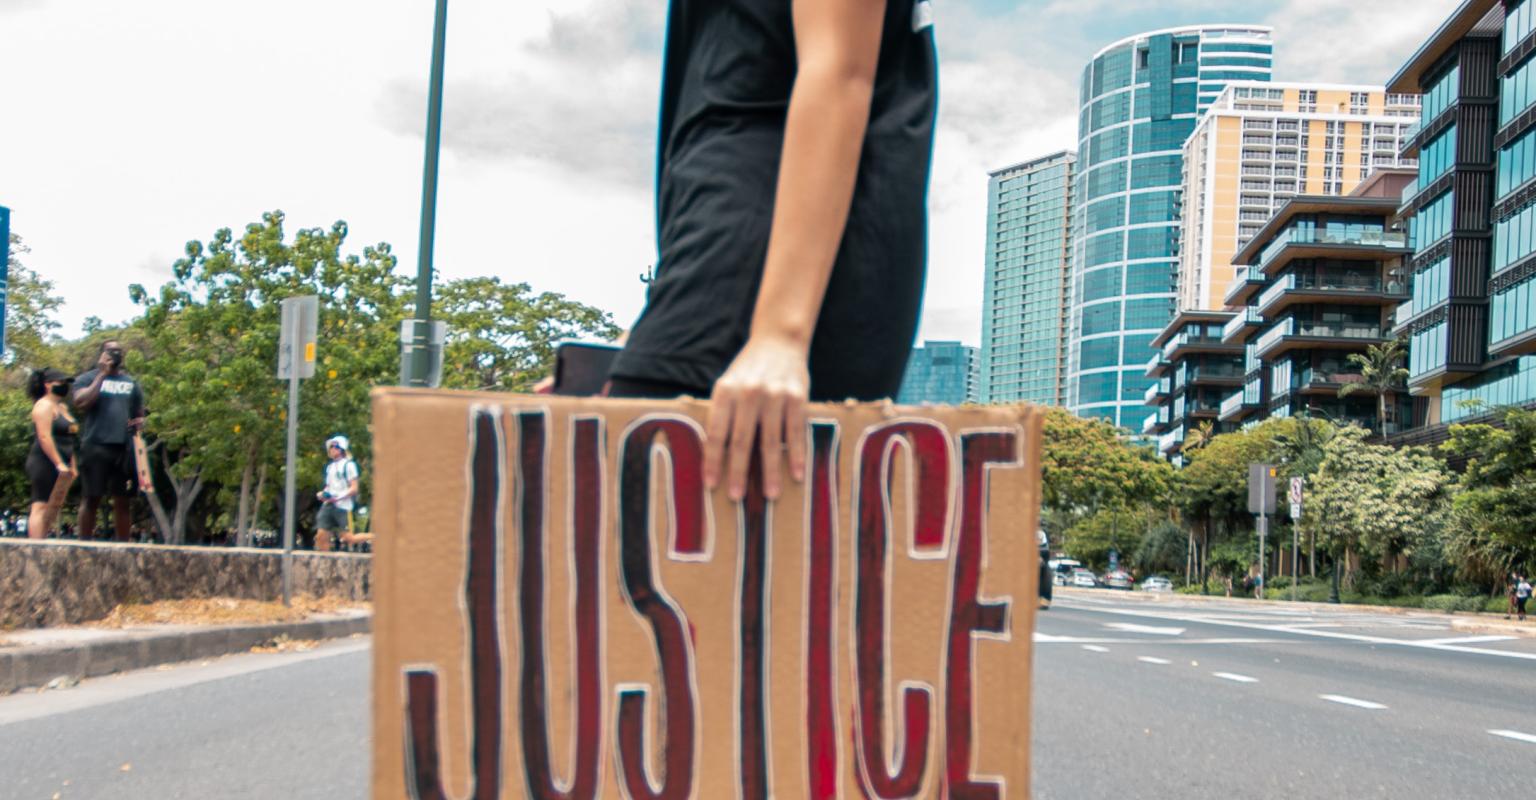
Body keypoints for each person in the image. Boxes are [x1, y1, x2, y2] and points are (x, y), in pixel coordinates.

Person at [605, 0, 937, 502]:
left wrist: (780, 334)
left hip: (768, 279)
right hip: (734, 266)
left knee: (627, 537)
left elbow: (839, 72)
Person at [72, 340, 146, 542]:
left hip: (123, 448)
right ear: (101, 354)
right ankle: (84, 545)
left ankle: (123, 546)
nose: (116, 354)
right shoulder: (86, 379)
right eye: (111, 351)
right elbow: (80, 402)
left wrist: (140, 423)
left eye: (119, 351)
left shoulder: (131, 383)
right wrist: (102, 375)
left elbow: (139, 413)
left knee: (123, 500)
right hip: (96, 445)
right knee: (91, 497)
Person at [24, 369, 78, 539]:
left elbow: (70, 439)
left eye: (65, 383)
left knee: (52, 507)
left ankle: (43, 541)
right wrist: (58, 463)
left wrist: (72, 465)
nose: (64, 386)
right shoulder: (43, 405)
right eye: (60, 383)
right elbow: (44, 436)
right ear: (47, 384)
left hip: (65, 460)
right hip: (44, 461)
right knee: (40, 505)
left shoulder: (62, 407)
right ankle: (35, 548)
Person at [315, 435, 360, 552]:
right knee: (321, 536)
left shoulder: (349, 465)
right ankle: (325, 562)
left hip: (342, 507)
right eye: (330, 447)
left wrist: (338, 497)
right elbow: (329, 486)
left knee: (349, 538)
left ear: (341, 449)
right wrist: (323, 493)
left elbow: (354, 488)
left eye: (334, 447)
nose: (331, 449)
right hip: (328, 505)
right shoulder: (330, 467)